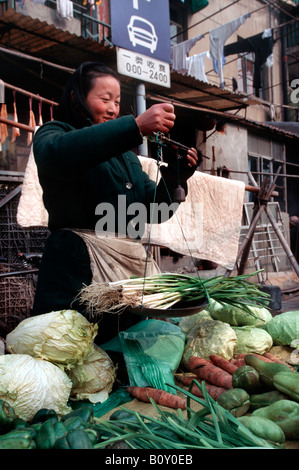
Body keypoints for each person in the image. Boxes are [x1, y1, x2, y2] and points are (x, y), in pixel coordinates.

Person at [32, 61, 198, 344]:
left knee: (123, 352)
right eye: (104, 99)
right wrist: (134, 127)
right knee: (76, 349)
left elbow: (153, 210)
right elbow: (58, 154)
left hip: (125, 278)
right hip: (76, 274)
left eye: (118, 102)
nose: (112, 108)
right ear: (77, 97)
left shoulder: (127, 158)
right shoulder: (53, 134)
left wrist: (176, 176)